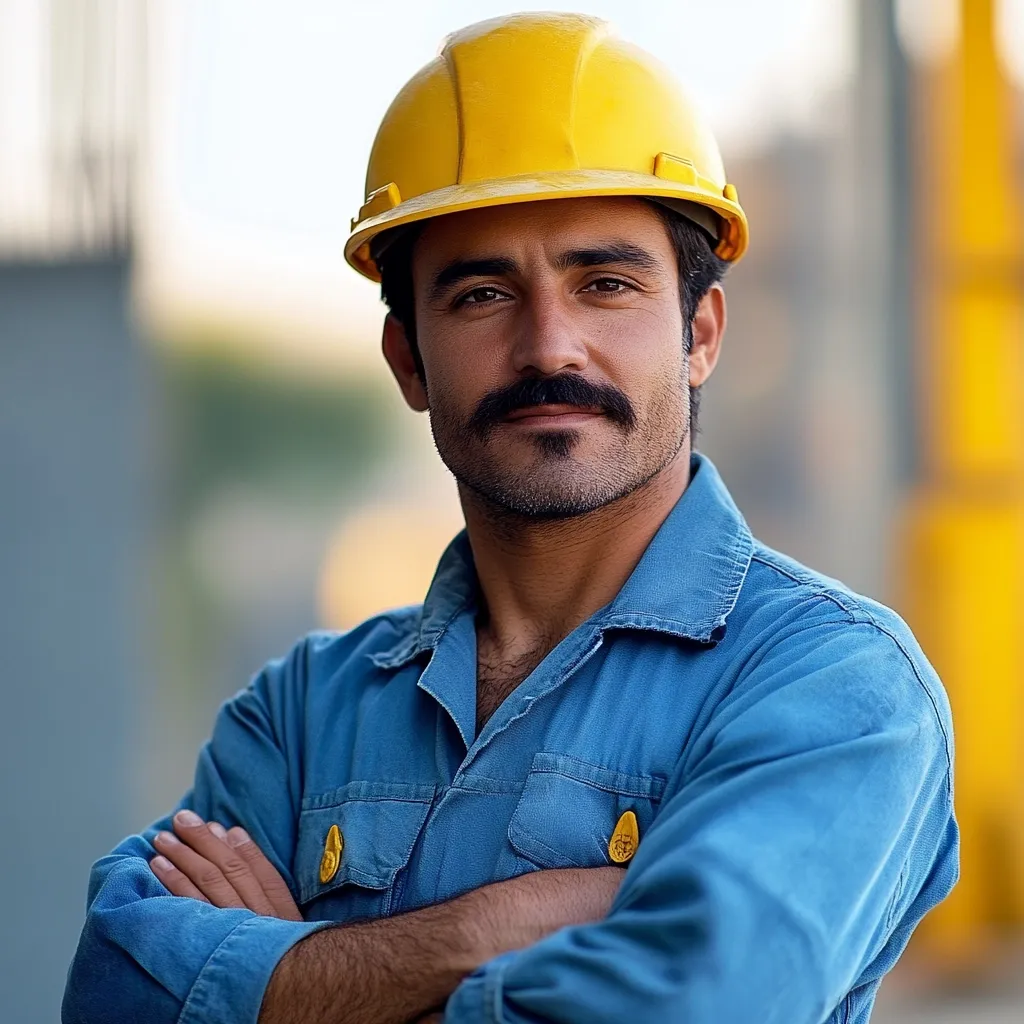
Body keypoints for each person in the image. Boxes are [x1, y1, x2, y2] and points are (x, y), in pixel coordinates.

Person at [63, 12, 957, 1024]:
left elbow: (685, 1007)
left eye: (604, 283)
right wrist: (488, 928)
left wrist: (287, 982)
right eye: (483, 294)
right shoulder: (300, 716)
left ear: (700, 333)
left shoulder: (832, 686)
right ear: (408, 360)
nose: (549, 346)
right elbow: (112, 991)